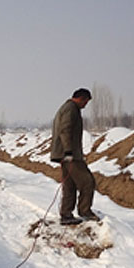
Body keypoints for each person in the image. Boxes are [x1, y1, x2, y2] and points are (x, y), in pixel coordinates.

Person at [50, 88, 99, 225]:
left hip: (66, 153)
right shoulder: (71, 108)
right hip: (70, 154)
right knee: (88, 181)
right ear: (81, 98)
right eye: (86, 102)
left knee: (70, 185)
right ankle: (85, 211)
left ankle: (66, 214)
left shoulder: (68, 107)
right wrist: (69, 151)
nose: (85, 105)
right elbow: (65, 130)